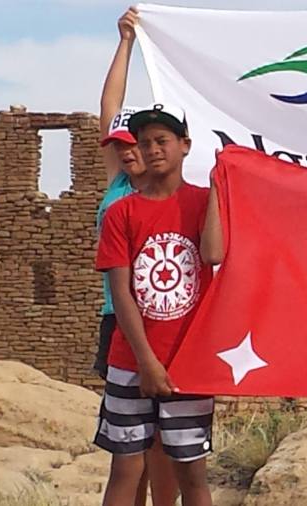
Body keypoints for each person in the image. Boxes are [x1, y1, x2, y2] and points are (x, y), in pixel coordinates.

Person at [95, 102, 215, 506]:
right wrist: (146, 361)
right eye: (144, 143)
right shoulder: (122, 212)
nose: (152, 150)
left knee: (192, 473)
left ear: (185, 145)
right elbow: (122, 290)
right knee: (125, 469)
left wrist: (221, 187)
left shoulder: (202, 203)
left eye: (162, 140)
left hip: (189, 361)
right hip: (131, 360)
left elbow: (213, 253)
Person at [95, 7, 179, 506]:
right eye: (119, 145)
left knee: (159, 446)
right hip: (117, 316)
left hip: (164, 317)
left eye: (135, 145)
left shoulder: (165, 190)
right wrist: (125, 43)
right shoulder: (119, 183)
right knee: (129, 448)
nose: (125, 151)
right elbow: (109, 107)